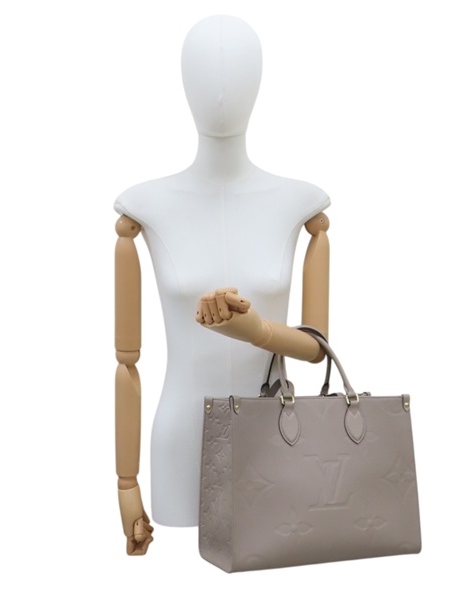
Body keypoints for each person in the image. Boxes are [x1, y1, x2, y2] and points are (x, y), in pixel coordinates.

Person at [114, 15, 330, 555]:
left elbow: (317, 349)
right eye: (205, 71)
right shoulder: (146, 206)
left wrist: (255, 330)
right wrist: (126, 486)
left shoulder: (299, 204)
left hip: (274, 442)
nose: (220, 89)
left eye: (236, 70)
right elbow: (126, 362)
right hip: (180, 445)